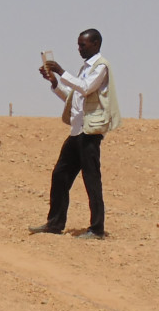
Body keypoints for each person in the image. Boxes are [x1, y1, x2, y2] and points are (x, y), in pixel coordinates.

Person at [31, 28, 120, 239]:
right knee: (60, 176)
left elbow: (86, 88)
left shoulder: (101, 67)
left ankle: (97, 229)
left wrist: (62, 72)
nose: (79, 48)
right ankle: (54, 224)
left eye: (83, 44)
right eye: (78, 44)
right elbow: (74, 99)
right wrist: (55, 82)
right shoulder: (84, 69)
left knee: (91, 180)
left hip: (90, 133)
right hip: (77, 131)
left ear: (96, 44)